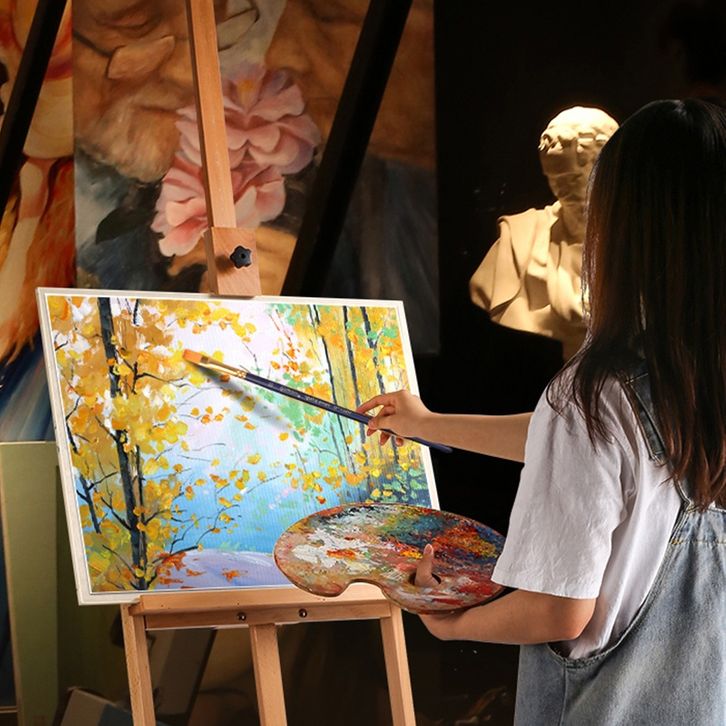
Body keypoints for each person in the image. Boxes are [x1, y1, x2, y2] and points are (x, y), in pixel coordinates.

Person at [358, 99, 725, 724]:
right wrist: (427, 424)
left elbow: (560, 610)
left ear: (621, 226)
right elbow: (578, 446)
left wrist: (454, 623)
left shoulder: (594, 396)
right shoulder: (689, 380)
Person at [469, 106, 618, 360]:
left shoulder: (644, 245)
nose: (564, 191)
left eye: (575, 179)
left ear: (609, 175)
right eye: (555, 180)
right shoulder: (518, 240)